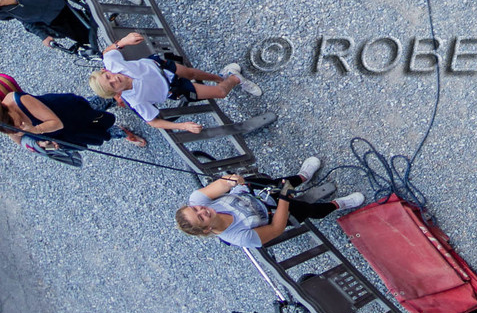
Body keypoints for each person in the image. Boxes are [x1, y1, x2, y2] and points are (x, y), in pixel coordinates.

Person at [90, 28, 263, 138]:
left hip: (162, 67)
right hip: (174, 89)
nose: (114, 79)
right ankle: (234, 77)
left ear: (106, 71)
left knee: (192, 72)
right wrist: (182, 126)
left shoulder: (113, 65)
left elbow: (107, 53)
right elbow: (153, 122)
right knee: (221, 93)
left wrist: (123, 42)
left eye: (108, 77)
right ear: (117, 94)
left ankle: (220, 77)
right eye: (112, 85)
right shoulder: (135, 101)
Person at [176, 166, 365, 246]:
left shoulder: (197, 200)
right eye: (200, 217)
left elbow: (223, 184)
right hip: (275, 213)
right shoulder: (239, 237)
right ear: (207, 229)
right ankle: (337, 204)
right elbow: (276, 229)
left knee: (279, 182)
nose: (201, 210)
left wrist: (231, 180)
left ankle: (302, 177)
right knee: (310, 211)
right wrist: (284, 198)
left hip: (254, 192)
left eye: (195, 209)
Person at [0, 76, 141, 149]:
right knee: (95, 133)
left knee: (91, 110)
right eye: (14, 128)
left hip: (67, 113)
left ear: (7, 109)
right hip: (63, 133)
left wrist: (36, 130)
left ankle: (112, 96)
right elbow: (21, 141)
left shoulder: (19, 100)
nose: (18, 126)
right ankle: (120, 132)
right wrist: (41, 145)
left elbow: (56, 123)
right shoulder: (7, 125)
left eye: (16, 122)